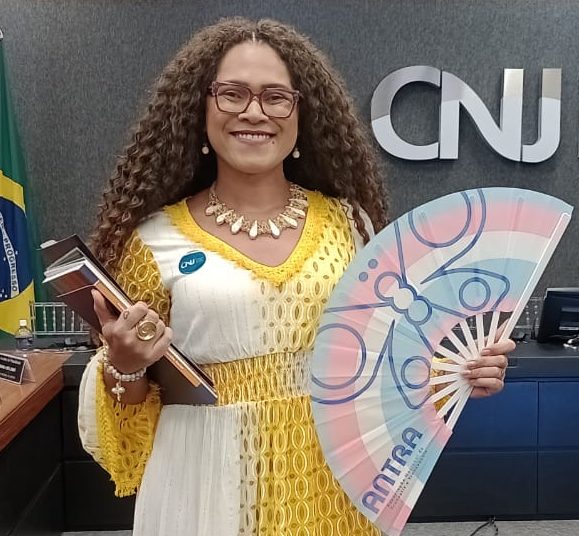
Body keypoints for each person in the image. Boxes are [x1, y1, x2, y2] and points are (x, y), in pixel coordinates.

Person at [77, 17, 513, 536]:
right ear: (200, 108)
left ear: (302, 114)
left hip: (333, 478)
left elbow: (387, 356)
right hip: (206, 481)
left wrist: (459, 371)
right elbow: (131, 408)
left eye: (275, 97)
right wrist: (124, 366)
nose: (254, 112)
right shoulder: (153, 242)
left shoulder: (350, 225)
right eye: (232, 94)